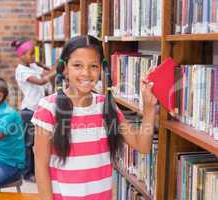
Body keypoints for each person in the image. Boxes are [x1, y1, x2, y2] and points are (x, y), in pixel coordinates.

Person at [31, 35, 157, 200]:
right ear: (65, 69)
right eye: (77, 65)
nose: (86, 73)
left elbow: (143, 146)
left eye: (93, 66)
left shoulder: (106, 106)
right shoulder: (48, 108)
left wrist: (148, 107)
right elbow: (40, 166)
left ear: (102, 69)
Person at [12, 39, 56, 182]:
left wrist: (44, 65)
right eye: (31, 54)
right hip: (28, 110)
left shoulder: (32, 65)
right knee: (28, 144)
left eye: (34, 54)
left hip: (40, 108)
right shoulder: (21, 71)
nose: (33, 57)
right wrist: (57, 70)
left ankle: (39, 169)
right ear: (21, 55)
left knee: (40, 142)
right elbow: (41, 81)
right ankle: (27, 173)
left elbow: (47, 72)